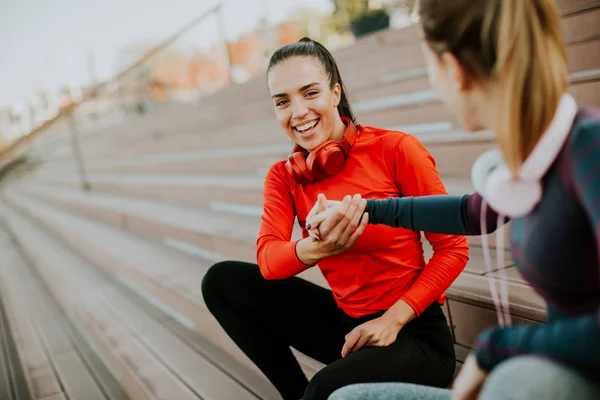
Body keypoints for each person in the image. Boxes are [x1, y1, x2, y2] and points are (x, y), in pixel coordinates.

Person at [306, 1, 600, 399]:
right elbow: (471, 212)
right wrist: (365, 209)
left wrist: (493, 349)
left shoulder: (589, 150)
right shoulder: (532, 160)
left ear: (454, 70)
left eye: (429, 65)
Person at [201, 37, 470, 400]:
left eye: (309, 93)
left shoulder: (396, 149)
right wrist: (316, 248)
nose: (297, 113)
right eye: (283, 101)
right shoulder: (283, 176)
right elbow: (268, 262)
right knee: (221, 282)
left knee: (324, 389)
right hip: (348, 328)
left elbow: (453, 249)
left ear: (335, 93)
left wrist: (393, 319)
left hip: (413, 333)